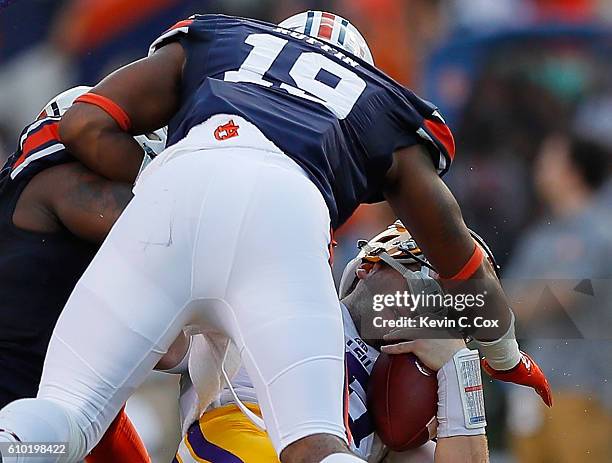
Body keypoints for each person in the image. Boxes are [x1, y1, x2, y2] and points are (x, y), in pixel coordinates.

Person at [0, 11, 549, 463]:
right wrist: (504, 352)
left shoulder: (217, 38)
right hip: (286, 216)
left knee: (63, 416)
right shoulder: (381, 107)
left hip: (179, 185)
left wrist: (165, 181)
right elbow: (463, 266)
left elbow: (85, 123)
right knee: (314, 445)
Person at [174, 221, 490, 463]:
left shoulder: (414, 394)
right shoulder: (284, 291)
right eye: (426, 282)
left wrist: (459, 368)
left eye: (450, 309)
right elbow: (167, 348)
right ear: (370, 266)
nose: (428, 308)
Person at [0, 86, 166, 463]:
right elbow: (169, 229)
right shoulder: (65, 188)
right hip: (22, 420)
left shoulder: (25, 193)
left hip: (51, 410)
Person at [504, 127, 612, 462]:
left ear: (572, 170)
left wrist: (533, 297)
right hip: (534, 388)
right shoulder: (540, 235)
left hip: (586, 389)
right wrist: (542, 295)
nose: (539, 167)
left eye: (549, 160)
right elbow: (507, 303)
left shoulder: (601, 232)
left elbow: (570, 294)